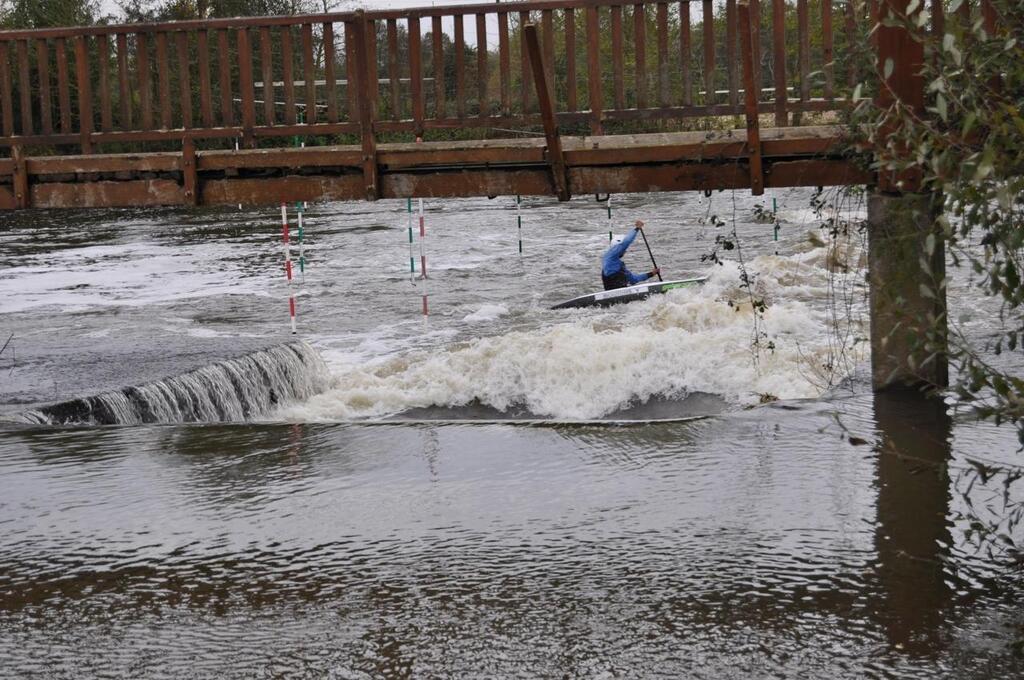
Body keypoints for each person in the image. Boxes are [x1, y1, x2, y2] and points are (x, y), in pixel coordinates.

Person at [601, 220, 660, 290]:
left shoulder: (620, 266)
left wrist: (651, 274)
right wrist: (637, 228)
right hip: (611, 292)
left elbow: (633, 279)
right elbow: (626, 242)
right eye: (623, 250)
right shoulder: (609, 256)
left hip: (621, 292)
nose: (625, 251)